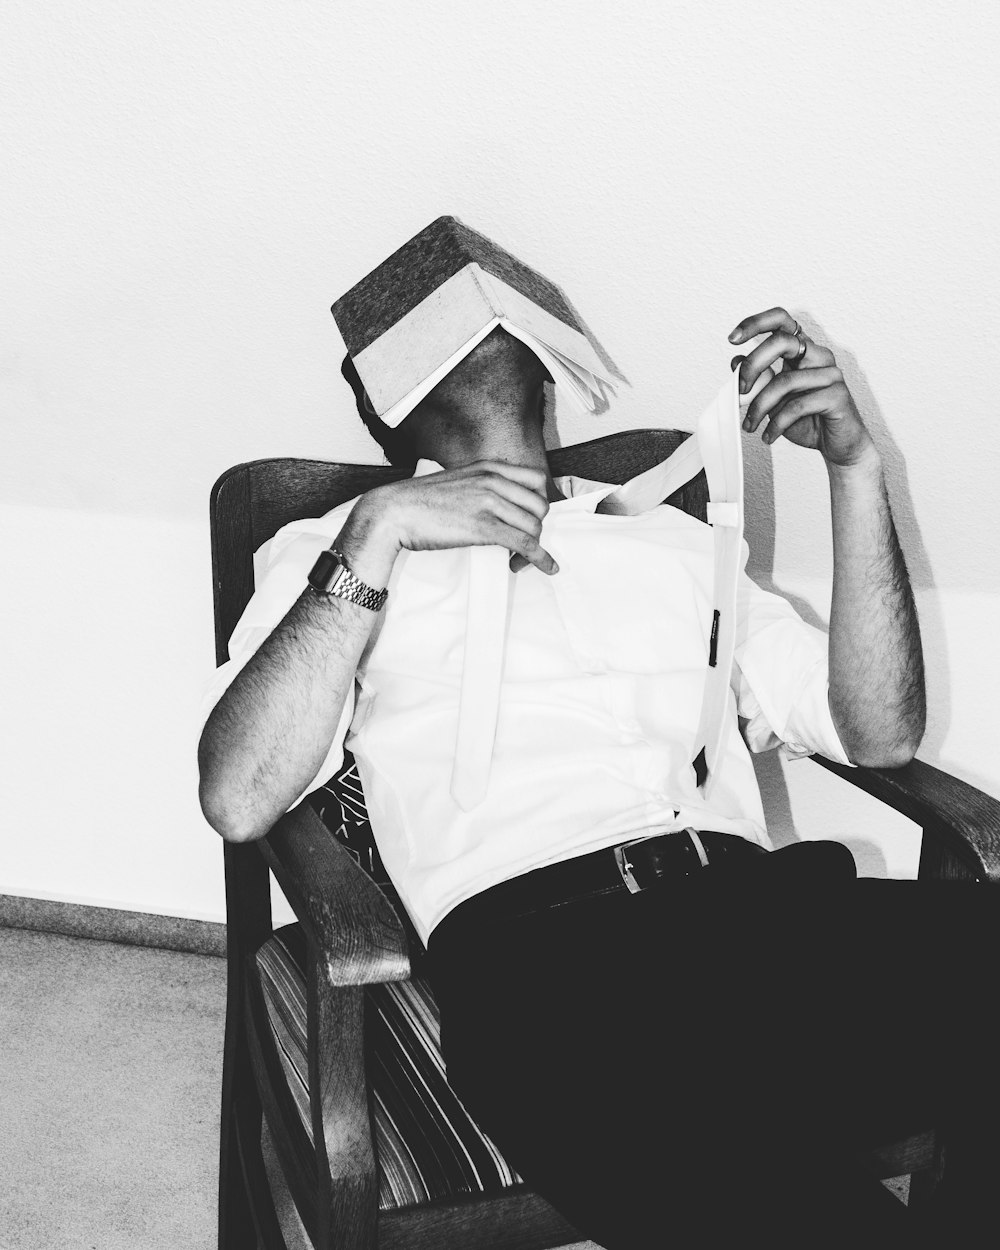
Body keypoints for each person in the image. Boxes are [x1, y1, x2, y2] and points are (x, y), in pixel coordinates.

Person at [199, 308, 996, 1248]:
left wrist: (857, 472)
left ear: (550, 368)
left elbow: (879, 734)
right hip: (550, 972)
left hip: (764, 915)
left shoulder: (671, 537)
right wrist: (374, 538)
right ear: (386, 408)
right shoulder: (330, 555)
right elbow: (240, 795)